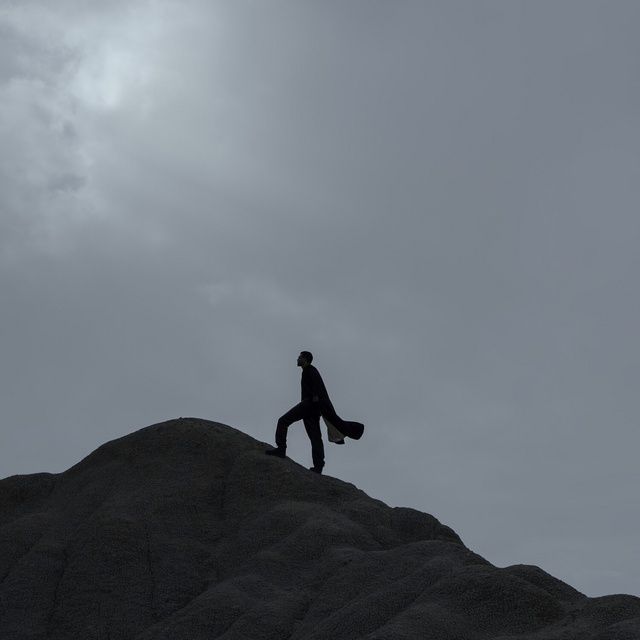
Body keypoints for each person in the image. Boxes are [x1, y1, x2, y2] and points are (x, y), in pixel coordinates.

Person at [265, 351, 364, 474]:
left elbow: (318, 386)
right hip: (314, 407)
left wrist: (314, 399)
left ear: (305, 359)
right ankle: (318, 466)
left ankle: (281, 449)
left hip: (310, 404)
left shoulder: (310, 370)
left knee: (283, 421)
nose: (297, 359)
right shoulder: (307, 371)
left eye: (300, 357)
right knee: (315, 437)